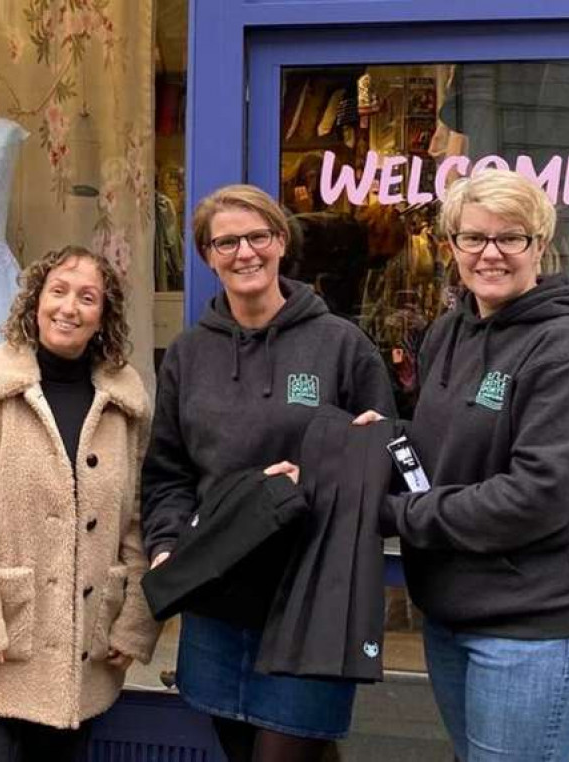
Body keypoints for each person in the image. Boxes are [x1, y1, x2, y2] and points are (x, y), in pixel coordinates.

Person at [359, 169, 569, 761]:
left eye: (512, 238)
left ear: (540, 245)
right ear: (451, 245)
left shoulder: (568, 352)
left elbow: (536, 496)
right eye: (473, 238)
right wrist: (366, 449)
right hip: (452, 612)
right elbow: (437, 445)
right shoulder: (451, 332)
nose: (491, 254)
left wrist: (395, 513)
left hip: (532, 624)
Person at [141, 184, 397, 762]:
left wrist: (316, 475)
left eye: (258, 236)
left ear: (282, 242)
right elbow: (167, 470)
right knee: (240, 746)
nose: (244, 252)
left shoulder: (341, 345)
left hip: (311, 595)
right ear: (207, 255)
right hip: (219, 590)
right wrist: (166, 545)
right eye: (226, 242)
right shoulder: (188, 353)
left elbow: (384, 464)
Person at [0, 246, 160, 762]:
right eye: (57, 291)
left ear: (104, 317)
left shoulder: (125, 409)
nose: (68, 307)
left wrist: (135, 620)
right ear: (35, 302)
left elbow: (138, 525)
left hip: (80, 664)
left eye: (87, 297)